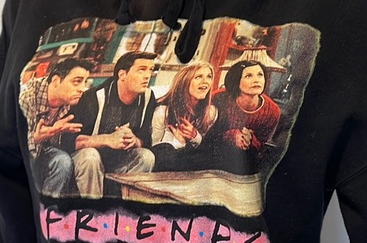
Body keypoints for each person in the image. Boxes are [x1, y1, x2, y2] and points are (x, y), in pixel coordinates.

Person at [62, 51, 157, 198]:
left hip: (119, 161)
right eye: (141, 70)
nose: (147, 76)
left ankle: (124, 204)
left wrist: (134, 140)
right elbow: (68, 141)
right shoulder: (94, 97)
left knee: (146, 156)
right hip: (87, 163)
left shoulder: (148, 97)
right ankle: (93, 207)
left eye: (150, 70)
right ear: (122, 75)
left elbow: (146, 139)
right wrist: (107, 139)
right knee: (90, 156)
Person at [18, 58, 92, 197]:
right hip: (21, 155)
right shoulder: (26, 98)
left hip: (42, 151)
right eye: (77, 81)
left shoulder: (68, 101)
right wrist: (37, 137)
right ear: (56, 81)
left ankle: (49, 204)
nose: (82, 89)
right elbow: (11, 145)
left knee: (62, 161)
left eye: (85, 82)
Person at [209, 60, 281, 174]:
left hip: (244, 163)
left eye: (260, 75)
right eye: (248, 76)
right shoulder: (218, 97)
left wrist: (250, 140)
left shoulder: (272, 111)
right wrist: (231, 136)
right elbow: (204, 133)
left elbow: (261, 145)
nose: (256, 80)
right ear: (236, 80)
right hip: (212, 155)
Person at [151, 61, 218, 171]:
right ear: (184, 81)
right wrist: (179, 142)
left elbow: (206, 149)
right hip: (164, 166)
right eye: (198, 77)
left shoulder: (211, 112)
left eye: (209, 77)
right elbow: (153, 150)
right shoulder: (163, 111)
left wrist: (195, 136)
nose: (205, 81)